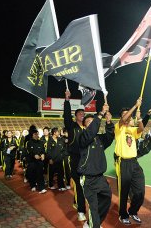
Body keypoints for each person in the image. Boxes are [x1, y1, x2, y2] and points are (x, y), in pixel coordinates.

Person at [78, 103, 114, 228]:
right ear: (84, 126)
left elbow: (110, 137)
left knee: (106, 199)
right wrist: (100, 114)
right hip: (88, 179)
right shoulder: (82, 137)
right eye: (88, 122)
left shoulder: (99, 139)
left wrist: (109, 122)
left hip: (100, 178)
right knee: (93, 207)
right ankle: (94, 225)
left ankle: (91, 223)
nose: (91, 123)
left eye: (92, 121)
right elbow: (91, 131)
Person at [114, 97, 145, 225]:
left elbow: (141, 129)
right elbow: (124, 119)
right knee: (124, 191)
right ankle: (123, 214)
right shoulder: (118, 128)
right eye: (125, 115)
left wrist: (139, 118)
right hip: (123, 163)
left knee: (140, 191)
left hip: (134, 162)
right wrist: (135, 105)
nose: (127, 117)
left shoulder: (132, 130)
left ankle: (133, 211)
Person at [64, 89, 87, 222]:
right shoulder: (71, 126)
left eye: (83, 113)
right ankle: (81, 211)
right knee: (79, 184)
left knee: (83, 185)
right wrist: (67, 100)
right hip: (75, 159)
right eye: (80, 113)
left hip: (86, 159)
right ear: (75, 116)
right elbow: (66, 116)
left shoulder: (86, 128)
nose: (82, 115)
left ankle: (76, 201)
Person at [25, 129, 47, 194]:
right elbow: (29, 151)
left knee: (40, 174)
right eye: (35, 134)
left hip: (39, 161)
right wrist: (34, 155)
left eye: (37, 134)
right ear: (32, 135)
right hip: (32, 161)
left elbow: (43, 150)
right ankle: (33, 185)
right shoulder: (29, 143)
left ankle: (42, 188)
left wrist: (43, 154)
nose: (37, 135)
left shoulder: (40, 142)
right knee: (32, 174)